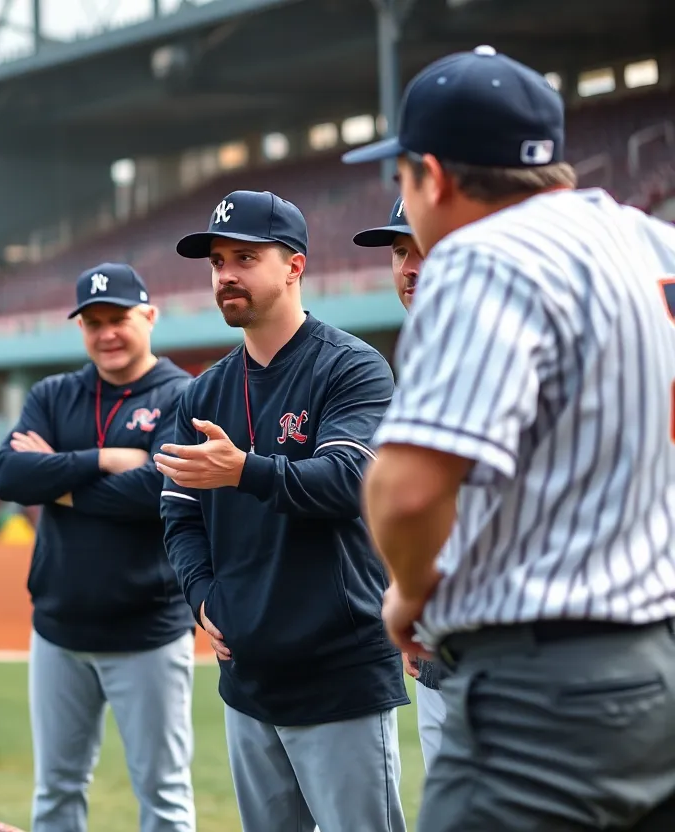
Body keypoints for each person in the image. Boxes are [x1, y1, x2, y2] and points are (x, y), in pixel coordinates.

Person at [345, 45, 675, 830]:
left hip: (543, 689)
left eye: (403, 177)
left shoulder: (482, 252)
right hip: (657, 662)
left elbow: (408, 490)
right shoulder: (653, 242)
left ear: (433, 175)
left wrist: (411, 592)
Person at [156, 190, 408, 832]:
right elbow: (180, 513)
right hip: (247, 676)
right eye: (217, 262)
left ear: (295, 266)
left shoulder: (352, 367)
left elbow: (351, 480)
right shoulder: (203, 391)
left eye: (245, 258)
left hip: (338, 672)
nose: (226, 275)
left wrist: (244, 469)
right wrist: (203, 597)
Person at [0, 263, 197, 832]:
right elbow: (8, 475)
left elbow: (157, 489)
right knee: (56, 792)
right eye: (93, 322)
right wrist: (103, 460)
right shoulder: (54, 393)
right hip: (58, 630)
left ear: (149, 316)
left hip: (148, 632)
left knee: (164, 796)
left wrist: (55, 482)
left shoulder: (182, 395)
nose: (106, 333)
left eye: (118, 319)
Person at [352, 195, 448, 770]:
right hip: (440, 641)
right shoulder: (422, 355)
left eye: (425, 248)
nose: (409, 268)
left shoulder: (508, 344)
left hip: (514, 650)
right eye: (398, 252)